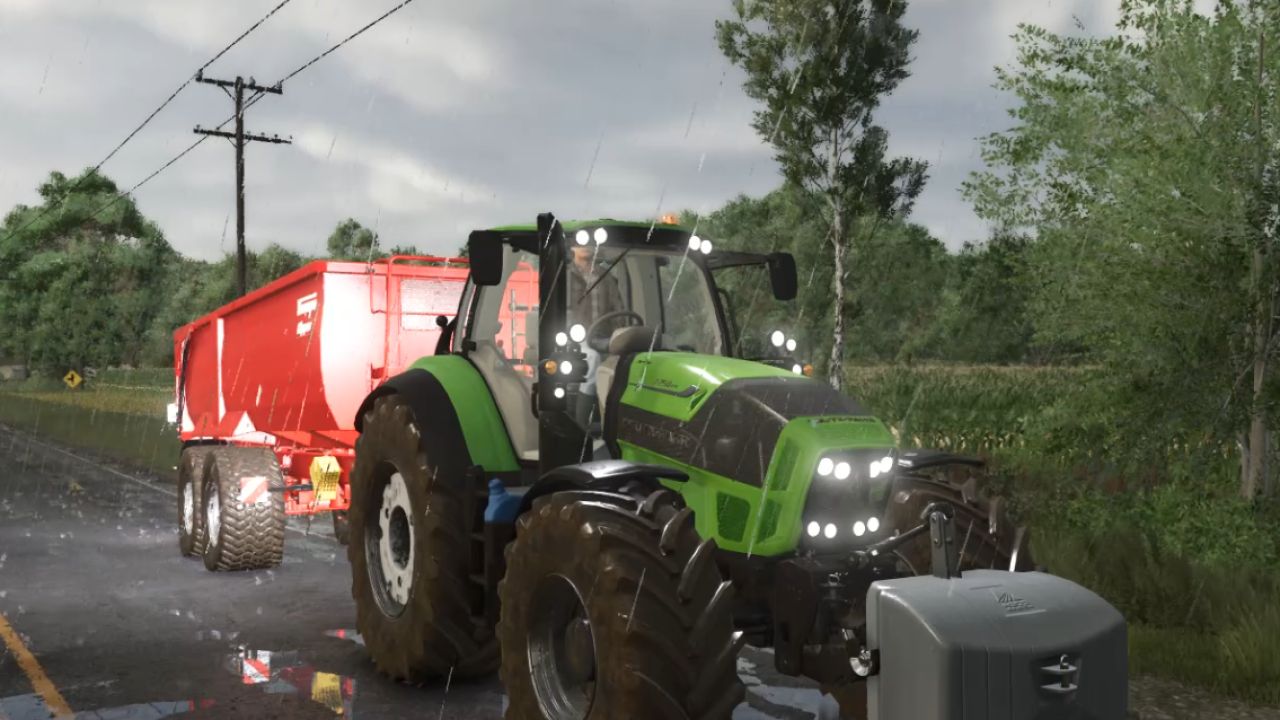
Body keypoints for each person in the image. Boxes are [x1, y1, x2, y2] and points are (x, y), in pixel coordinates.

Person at [564, 245, 626, 429]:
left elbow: (618, 308)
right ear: (572, 247)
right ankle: (581, 425)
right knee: (592, 357)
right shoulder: (565, 276)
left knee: (627, 360)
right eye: (581, 242)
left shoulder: (606, 277)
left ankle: (614, 424)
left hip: (602, 336)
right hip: (573, 338)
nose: (586, 246)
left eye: (591, 242)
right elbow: (560, 310)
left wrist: (621, 338)